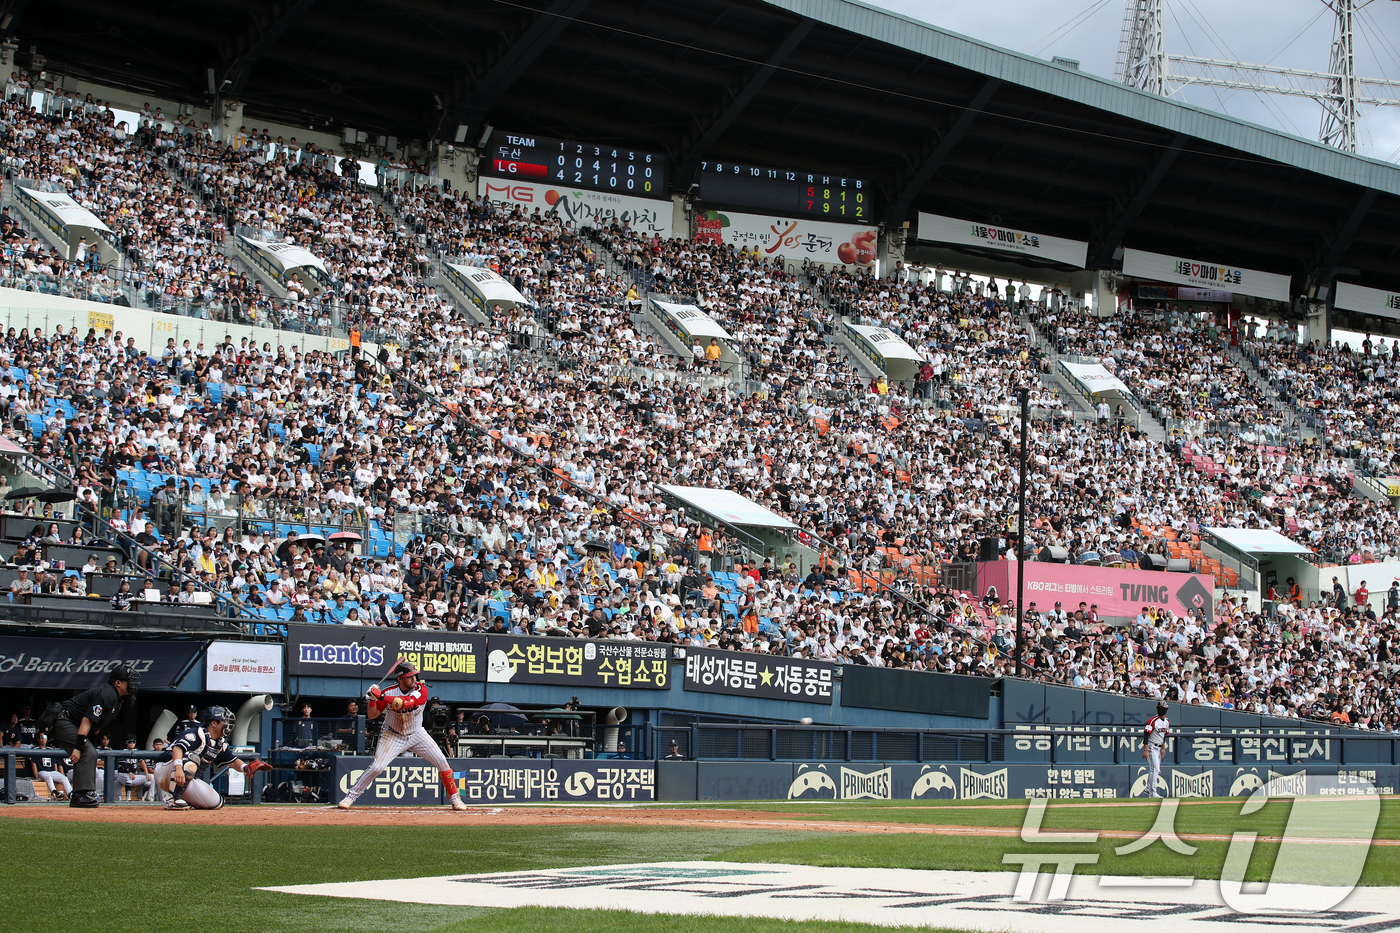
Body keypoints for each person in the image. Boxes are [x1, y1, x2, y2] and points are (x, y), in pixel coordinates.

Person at [337, 661, 466, 811]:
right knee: (377, 767)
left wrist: (380, 695)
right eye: (410, 677)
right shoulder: (389, 691)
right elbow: (372, 715)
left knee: (442, 761)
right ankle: (350, 797)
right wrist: (373, 698)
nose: (414, 679)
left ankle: (455, 799)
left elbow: (404, 703)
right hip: (392, 734)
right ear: (400, 679)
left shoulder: (421, 689)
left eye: (415, 676)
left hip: (416, 733)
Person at [43, 664, 137, 808]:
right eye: (128, 681)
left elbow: (94, 727)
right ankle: (82, 794)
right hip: (59, 718)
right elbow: (86, 720)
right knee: (88, 751)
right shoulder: (107, 694)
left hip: (70, 722)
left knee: (89, 751)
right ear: (118, 683)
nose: (132, 684)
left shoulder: (116, 699)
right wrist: (78, 747)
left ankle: (81, 794)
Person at [154, 706, 269, 810]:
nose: (228, 725)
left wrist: (246, 768)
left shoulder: (219, 743)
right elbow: (178, 749)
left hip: (185, 781)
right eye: (224, 721)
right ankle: (171, 799)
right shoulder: (196, 733)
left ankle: (183, 800)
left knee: (216, 803)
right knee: (192, 760)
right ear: (213, 723)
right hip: (166, 771)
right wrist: (178, 768)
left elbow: (233, 761)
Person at [1142, 701, 1170, 799]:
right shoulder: (1152, 720)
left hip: (1159, 747)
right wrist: (1145, 750)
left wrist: (1163, 748)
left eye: (1163, 709)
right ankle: (1152, 793)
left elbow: (1163, 735)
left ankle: (1148, 788)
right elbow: (1146, 734)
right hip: (1151, 746)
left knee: (1154, 769)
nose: (1161, 711)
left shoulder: (1167, 721)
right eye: (1160, 709)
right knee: (1155, 769)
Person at [30, 733, 71, 799]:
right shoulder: (35, 749)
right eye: (41, 737)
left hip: (52, 771)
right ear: (37, 739)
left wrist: (57, 773)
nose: (43, 738)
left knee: (64, 778)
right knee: (48, 777)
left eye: (45, 736)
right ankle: (54, 792)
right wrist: (36, 777)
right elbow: (33, 764)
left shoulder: (51, 749)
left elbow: (55, 764)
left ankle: (70, 794)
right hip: (42, 771)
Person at [114, 735, 151, 801]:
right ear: (126, 742)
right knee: (129, 778)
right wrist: (129, 772)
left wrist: (147, 774)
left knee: (148, 779)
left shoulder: (137, 750)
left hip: (133, 775)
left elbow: (142, 762)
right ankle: (128, 798)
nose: (132, 744)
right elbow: (123, 764)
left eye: (133, 742)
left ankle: (143, 799)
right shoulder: (122, 750)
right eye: (130, 742)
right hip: (121, 775)